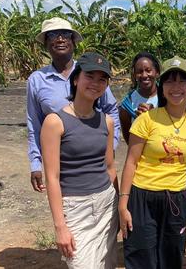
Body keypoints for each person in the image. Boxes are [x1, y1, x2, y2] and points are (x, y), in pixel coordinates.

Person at [118, 56, 186, 269]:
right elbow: (131, 162)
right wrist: (123, 204)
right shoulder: (146, 119)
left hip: (176, 200)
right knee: (142, 258)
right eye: (170, 81)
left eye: (182, 81)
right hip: (142, 197)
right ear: (162, 86)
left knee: (171, 258)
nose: (176, 87)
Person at [41, 52, 119, 268]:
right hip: (75, 208)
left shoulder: (107, 121)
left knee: (107, 264)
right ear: (76, 79)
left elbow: (110, 167)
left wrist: (119, 207)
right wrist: (60, 227)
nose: (95, 83)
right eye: (90, 76)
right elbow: (52, 178)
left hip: (106, 203)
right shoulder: (55, 122)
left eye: (102, 79)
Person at [27, 17, 120, 192]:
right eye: (53, 34)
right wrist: (35, 163)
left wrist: (111, 145)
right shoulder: (37, 80)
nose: (60, 39)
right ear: (46, 43)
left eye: (66, 34)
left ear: (73, 41)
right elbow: (34, 124)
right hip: (60, 159)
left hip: (93, 156)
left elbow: (111, 109)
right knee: (66, 206)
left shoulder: (91, 72)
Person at [119, 52, 161, 144]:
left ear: (157, 72)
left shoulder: (166, 98)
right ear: (134, 75)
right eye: (139, 72)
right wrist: (141, 122)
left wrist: (154, 116)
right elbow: (129, 141)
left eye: (148, 70)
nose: (144, 75)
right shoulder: (127, 105)